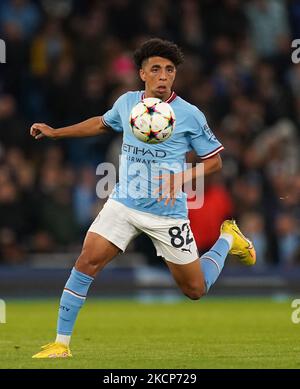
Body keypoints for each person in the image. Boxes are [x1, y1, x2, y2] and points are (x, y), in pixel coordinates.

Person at [31, 38, 256, 359]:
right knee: (86, 261)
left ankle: (226, 239)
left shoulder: (190, 114)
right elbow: (100, 123)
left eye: (169, 70)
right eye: (156, 69)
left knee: (195, 290)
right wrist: (56, 132)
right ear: (142, 74)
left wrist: (181, 177)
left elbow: (215, 161)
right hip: (124, 203)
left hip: (168, 214)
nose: (163, 76)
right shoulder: (126, 104)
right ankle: (61, 344)